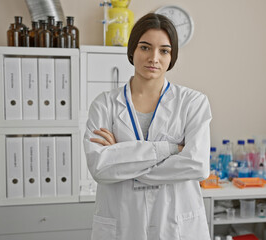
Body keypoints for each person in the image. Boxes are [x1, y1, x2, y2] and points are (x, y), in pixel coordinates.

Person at [84, 13, 212, 240]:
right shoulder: (104, 104)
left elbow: (198, 165)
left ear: (172, 57)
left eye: (164, 50)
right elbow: (100, 168)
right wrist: (172, 149)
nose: (154, 57)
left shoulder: (193, 103)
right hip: (124, 225)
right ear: (132, 50)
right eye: (145, 47)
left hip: (174, 227)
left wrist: (121, 158)